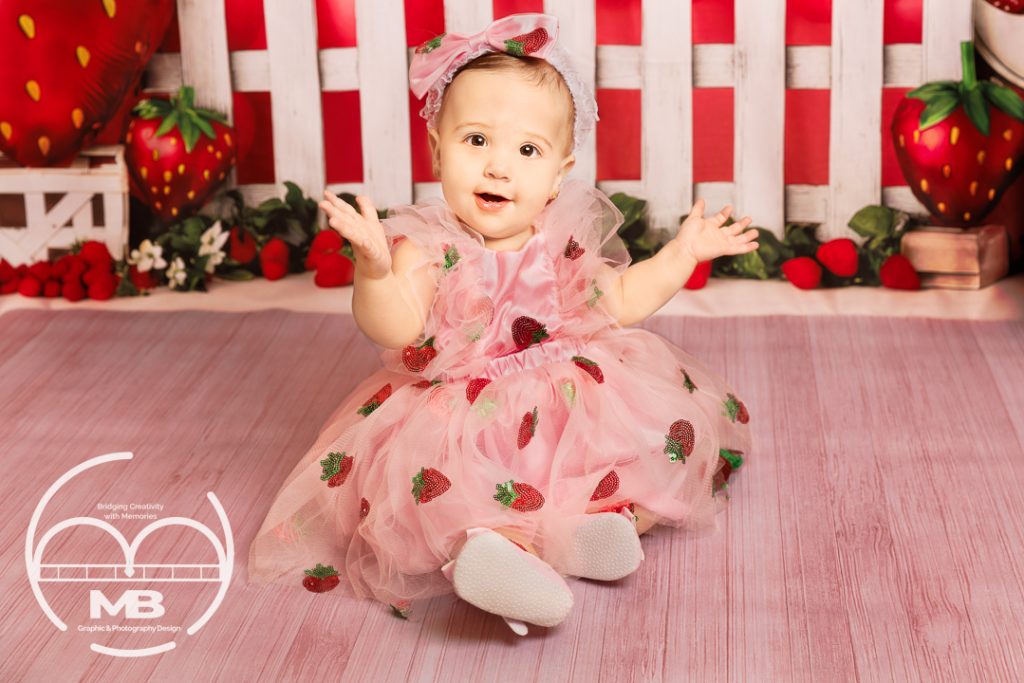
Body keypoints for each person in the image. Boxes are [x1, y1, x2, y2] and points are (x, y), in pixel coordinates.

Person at [249, 13, 757, 636]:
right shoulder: (426, 247)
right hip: (464, 417)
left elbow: (619, 301)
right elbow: (398, 329)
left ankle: (597, 528)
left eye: (526, 150)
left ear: (558, 174)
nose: (497, 167)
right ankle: (496, 554)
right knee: (457, 496)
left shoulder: (560, 240)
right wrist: (375, 272)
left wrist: (682, 254)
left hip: (568, 399)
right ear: (437, 147)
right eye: (476, 141)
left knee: (637, 459)